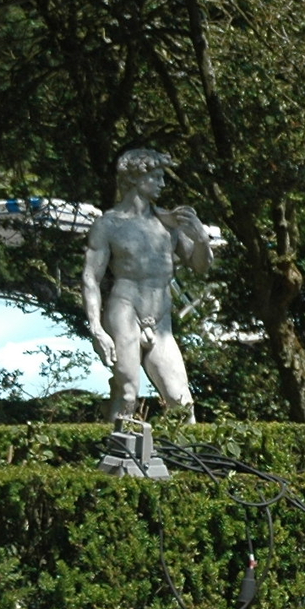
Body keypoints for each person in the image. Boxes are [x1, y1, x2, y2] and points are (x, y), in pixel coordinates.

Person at [81, 149, 224, 423]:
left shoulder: (168, 223)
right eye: (156, 177)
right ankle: (118, 462)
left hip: (161, 322)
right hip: (125, 311)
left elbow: (200, 266)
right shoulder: (109, 225)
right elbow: (90, 278)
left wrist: (202, 239)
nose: (163, 184)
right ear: (135, 178)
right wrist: (96, 328)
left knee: (181, 401)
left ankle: (189, 464)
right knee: (127, 395)